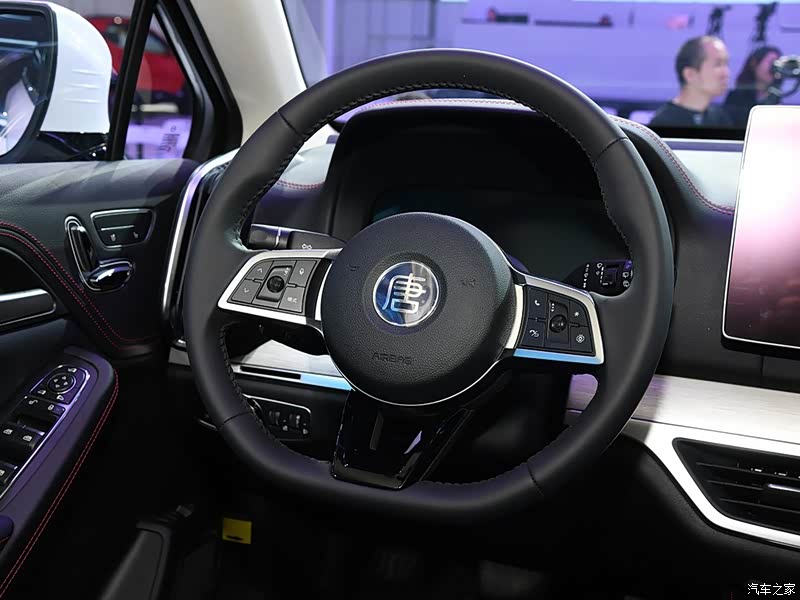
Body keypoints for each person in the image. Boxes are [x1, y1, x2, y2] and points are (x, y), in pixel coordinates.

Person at [650, 36, 732, 128]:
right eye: (718, 64)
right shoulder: (663, 122)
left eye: (726, 64)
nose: (726, 73)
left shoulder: (720, 119)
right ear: (689, 74)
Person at [724, 46, 782, 128]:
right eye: (771, 62)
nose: (774, 68)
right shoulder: (736, 96)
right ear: (755, 63)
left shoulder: (775, 96)